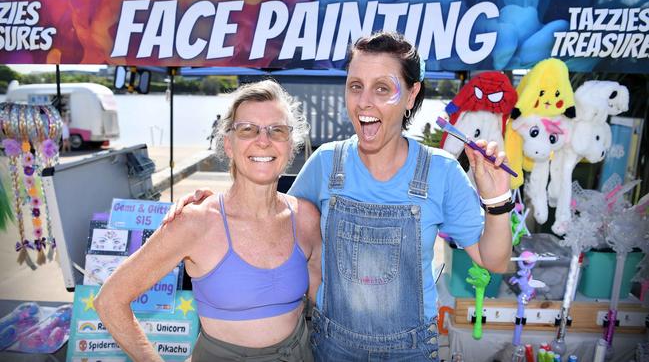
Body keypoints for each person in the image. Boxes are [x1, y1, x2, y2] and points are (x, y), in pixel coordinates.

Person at [167, 31, 512, 361]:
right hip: (332, 346)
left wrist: (497, 200)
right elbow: (273, 215)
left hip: (412, 349)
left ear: (410, 95)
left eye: (382, 88)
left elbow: (493, 260)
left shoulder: (441, 172)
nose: (364, 102)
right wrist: (216, 204)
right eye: (355, 86)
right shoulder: (326, 163)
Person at [95, 80, 322, 362]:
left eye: (277, 130)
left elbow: (326, 305)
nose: (263, 140)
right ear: (228, 144)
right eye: (248, 129)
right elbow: (110, 300)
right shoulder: (195, 222)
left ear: (290, 146)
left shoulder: (306, 219)